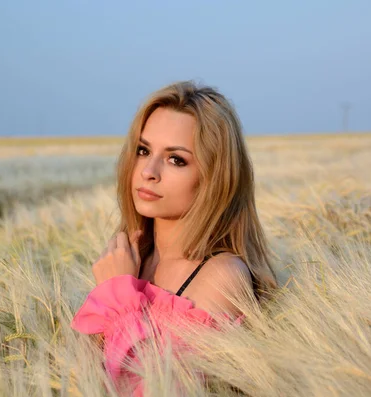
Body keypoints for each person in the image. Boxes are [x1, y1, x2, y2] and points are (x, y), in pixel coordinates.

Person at [70, 80, 278, 396]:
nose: (148, 171)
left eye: (175, 159)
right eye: (143, 150)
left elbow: (156, 388)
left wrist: (118, 296)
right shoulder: (132, 258)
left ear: (213, 178)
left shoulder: (221, 274)